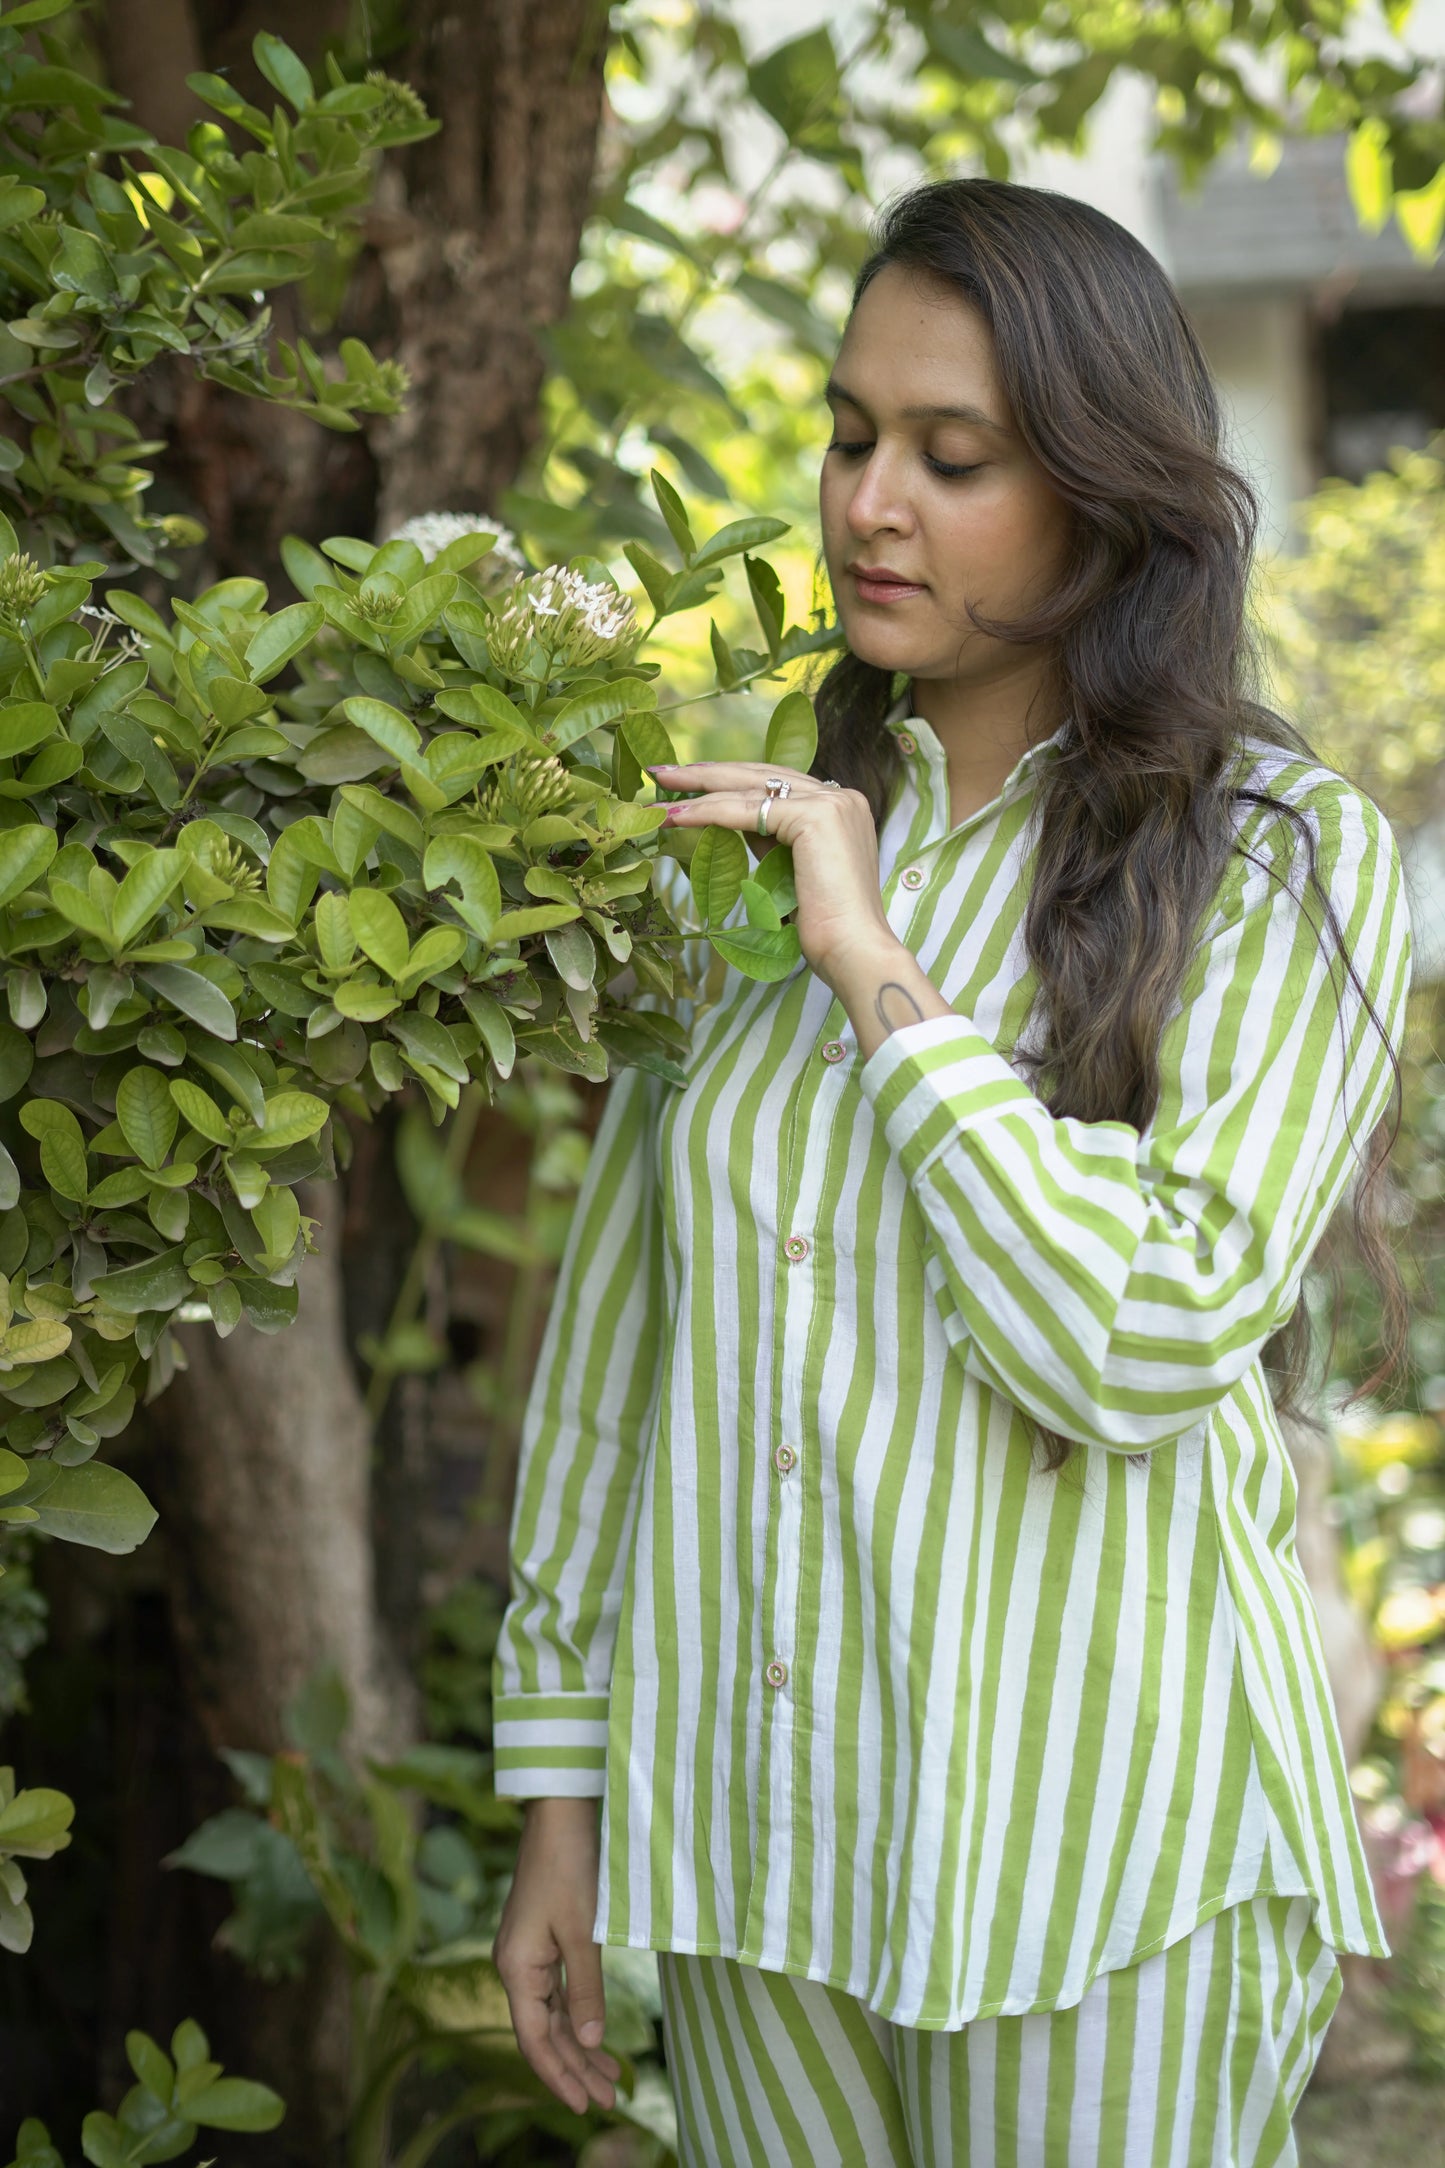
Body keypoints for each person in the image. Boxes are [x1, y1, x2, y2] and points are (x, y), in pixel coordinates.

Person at [489, 176, 1412, 2167]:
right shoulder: (745, 843)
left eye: (950, 454)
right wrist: (561, 1797)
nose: (865, 503)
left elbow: (1148, 1334)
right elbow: (618, 1355)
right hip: (754, 1853)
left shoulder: (1278, 857)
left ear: (1098, 486)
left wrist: (880, 979)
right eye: (847, 435)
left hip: (1098, 1862)